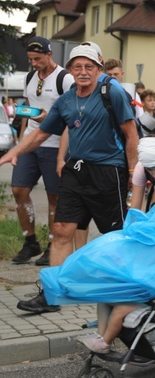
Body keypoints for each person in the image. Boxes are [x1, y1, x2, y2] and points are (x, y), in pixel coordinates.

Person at [2, 44, 139, 315]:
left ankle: (126, 289)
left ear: (98, 69)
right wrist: (15, 151)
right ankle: (52, 294)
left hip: (108, 172)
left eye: (89, 66)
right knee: (63, 229)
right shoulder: (65, 101)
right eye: (77, 66)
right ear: (70, 70)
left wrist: (133, 173)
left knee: (115, 235)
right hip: (76, 172)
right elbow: (41, 134)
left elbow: (131, 134)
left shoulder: (112, 92)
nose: (83, 71)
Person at [11, 37, 75, 266]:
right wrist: (19, 146)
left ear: (49, 54)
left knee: (54, 198)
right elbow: (27, 113)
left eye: (38, 59)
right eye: (31, 60)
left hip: (55, 144)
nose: (34, 63)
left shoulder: (64, 79)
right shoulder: (30, 77)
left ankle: (52, 245)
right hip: (31, 142)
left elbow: (71, 117)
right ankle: (30, 241)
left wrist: (61, 155)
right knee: (19, 190)